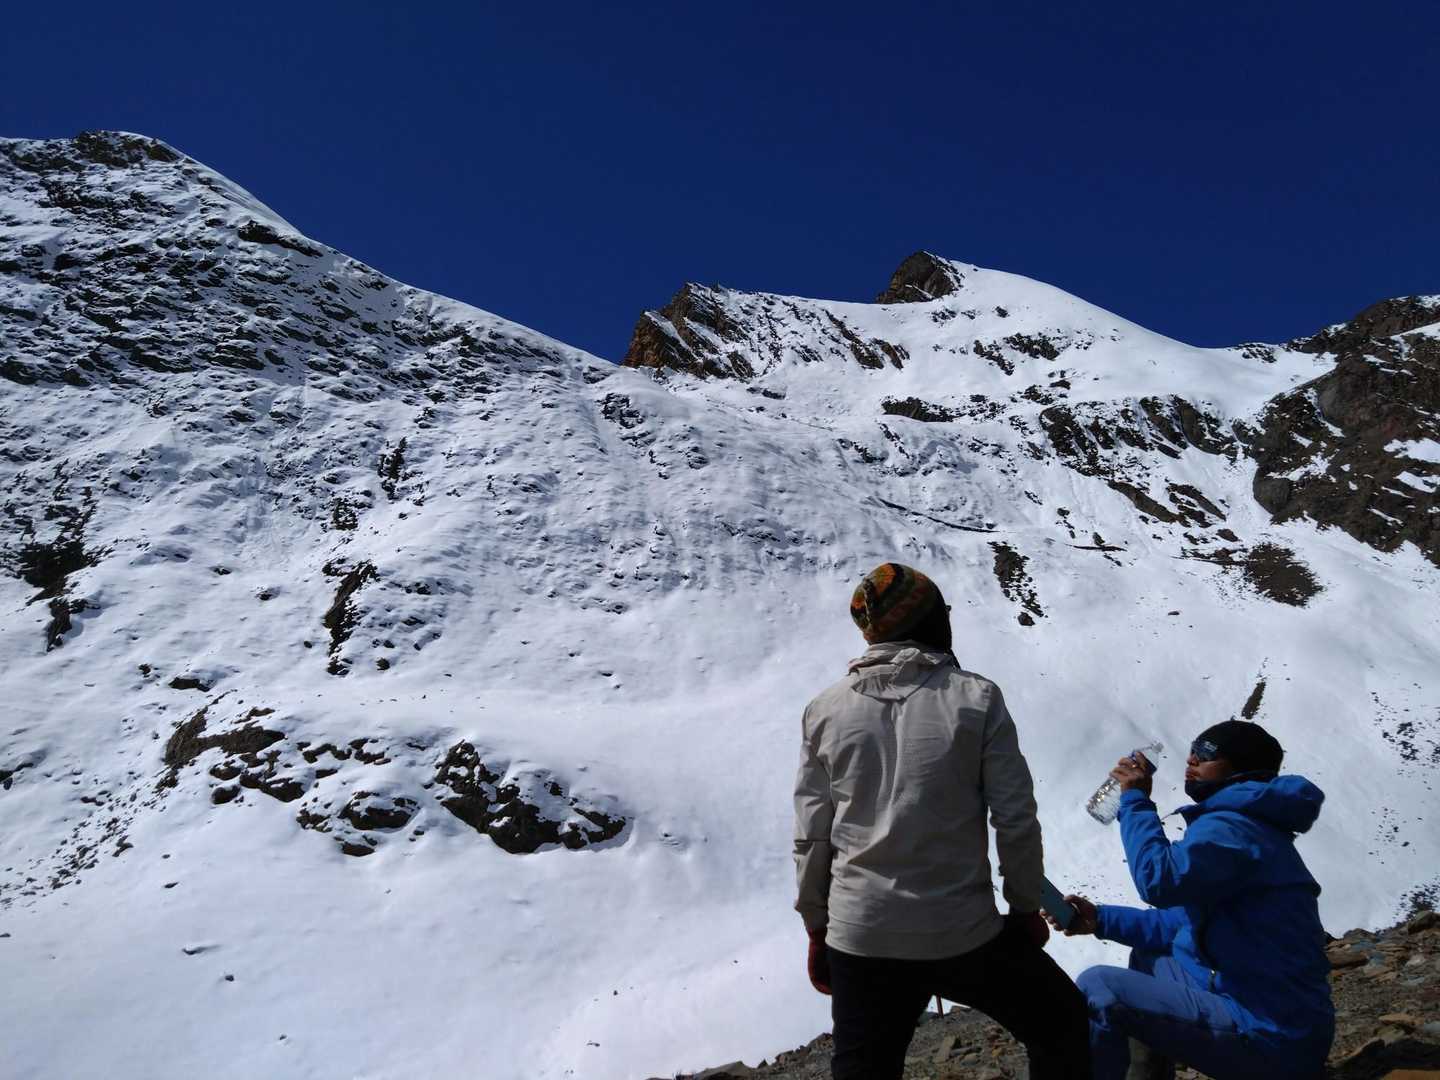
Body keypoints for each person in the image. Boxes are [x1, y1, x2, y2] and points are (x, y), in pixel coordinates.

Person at [793, 562, 1091, 1080]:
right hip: (962, 932)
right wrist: (1024, 909)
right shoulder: (976, 698)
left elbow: (812, 834)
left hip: (860, 933)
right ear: (930, 620)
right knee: (1062, 1024)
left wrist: (818, 926)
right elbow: (1015, 818)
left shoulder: (824, 710)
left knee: (863, 1067)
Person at [1051, 720, 1334, 1080]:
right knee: (1151, 957)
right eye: (1193, 750)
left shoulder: (1232, 828)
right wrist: (1100, 920)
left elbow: (1158, 881)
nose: (1191, 760)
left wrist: (1135, 801)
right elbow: (1180, 924)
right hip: (1282, 1022)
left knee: (1099, 987)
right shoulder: (1244, 822)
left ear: (1240, 768)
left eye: (1206, 753)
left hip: (1269, 1035)